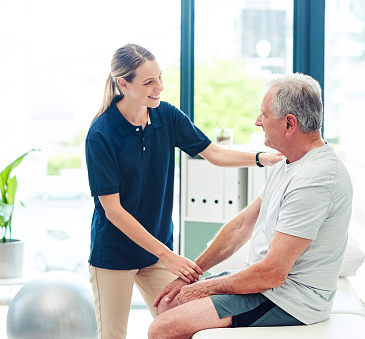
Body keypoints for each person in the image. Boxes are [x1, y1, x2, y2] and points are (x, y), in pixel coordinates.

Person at [85, 43, 282, 339]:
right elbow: (113, 211)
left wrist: (259, 158)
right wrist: (168, 256)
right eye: (149, 82)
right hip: (114, 255)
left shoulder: (166, 116)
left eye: (160, 78)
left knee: (181, 327)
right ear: (122, 84)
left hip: (156, 253)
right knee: (113, 335)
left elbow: (212, 152)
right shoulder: (101, 134)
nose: (159, 87)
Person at [149, 73, 353, 339]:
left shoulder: (315, 179)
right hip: (269, 287)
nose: (258, 122)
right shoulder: (288, 163)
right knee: (169, 301)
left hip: (290, 301)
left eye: (264, 115)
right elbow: (241, 227)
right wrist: (192, 275)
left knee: (161, 330)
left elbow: (272, 274)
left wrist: (205, 288)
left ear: (289, 123)